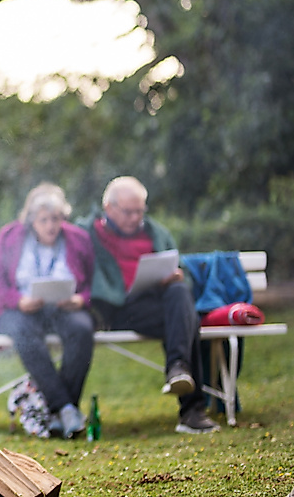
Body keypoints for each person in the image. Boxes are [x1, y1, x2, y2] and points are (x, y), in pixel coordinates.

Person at [78, 176, 220, 434]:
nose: (135, 218)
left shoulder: (156, 232)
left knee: (179, 293)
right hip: (118, 310)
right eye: (128, 212)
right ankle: (192, 411)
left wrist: (177, 276)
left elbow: (182, 271)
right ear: (108, 208)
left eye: (140, 211)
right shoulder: (86, 232)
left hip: (157, 304)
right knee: (186, 320)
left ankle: (178, 369)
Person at [0, 183, 95, 439]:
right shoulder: (10, 237)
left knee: (82, 329)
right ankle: (66, 410)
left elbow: (94, 283)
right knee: (23, 332)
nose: (51, 226)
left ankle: (58, 412)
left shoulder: (78, 239)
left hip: (62, 307)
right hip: (19, 309)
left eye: (56, 219)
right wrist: (18, 300)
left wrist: (80, 299)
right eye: (44, 220)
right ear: (31, 220)